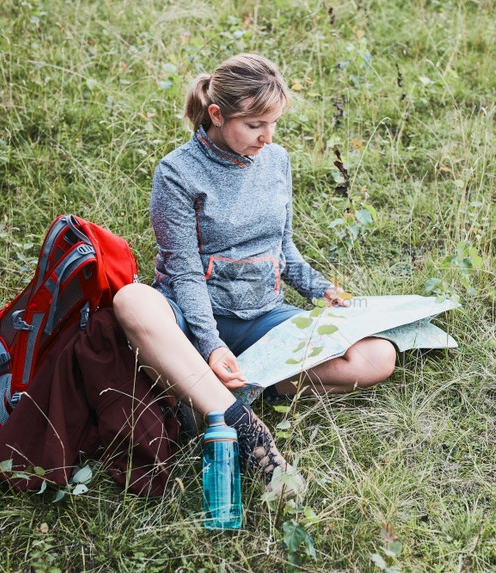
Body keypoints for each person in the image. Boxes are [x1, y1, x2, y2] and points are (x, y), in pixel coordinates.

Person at [113, 53, 396, 498]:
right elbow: (185, 273)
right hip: (191, 318)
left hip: (262, 316)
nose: (267, 137)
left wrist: (320, 288)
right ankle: (246, 426)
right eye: (254, 125)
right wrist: (210, 343)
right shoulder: (176, 173)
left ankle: (213, 391)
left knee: (378, 356)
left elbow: (282, 247)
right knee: (131, 301)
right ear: (217, 114)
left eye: (274, 123)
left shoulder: (276, 160)